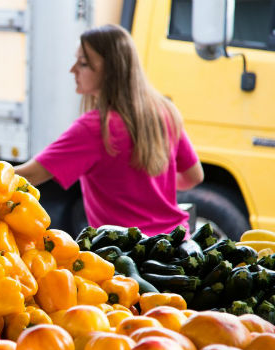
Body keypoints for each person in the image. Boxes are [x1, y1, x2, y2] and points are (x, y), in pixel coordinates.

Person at [14, 24, 204, 236]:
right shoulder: (164, 111)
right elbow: (193, 177)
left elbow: (29, 175)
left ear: (110, 71)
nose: (73, 70)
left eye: (83, 63)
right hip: (175, 245)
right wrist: (152, 187)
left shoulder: (95, 127)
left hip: (126, 253)